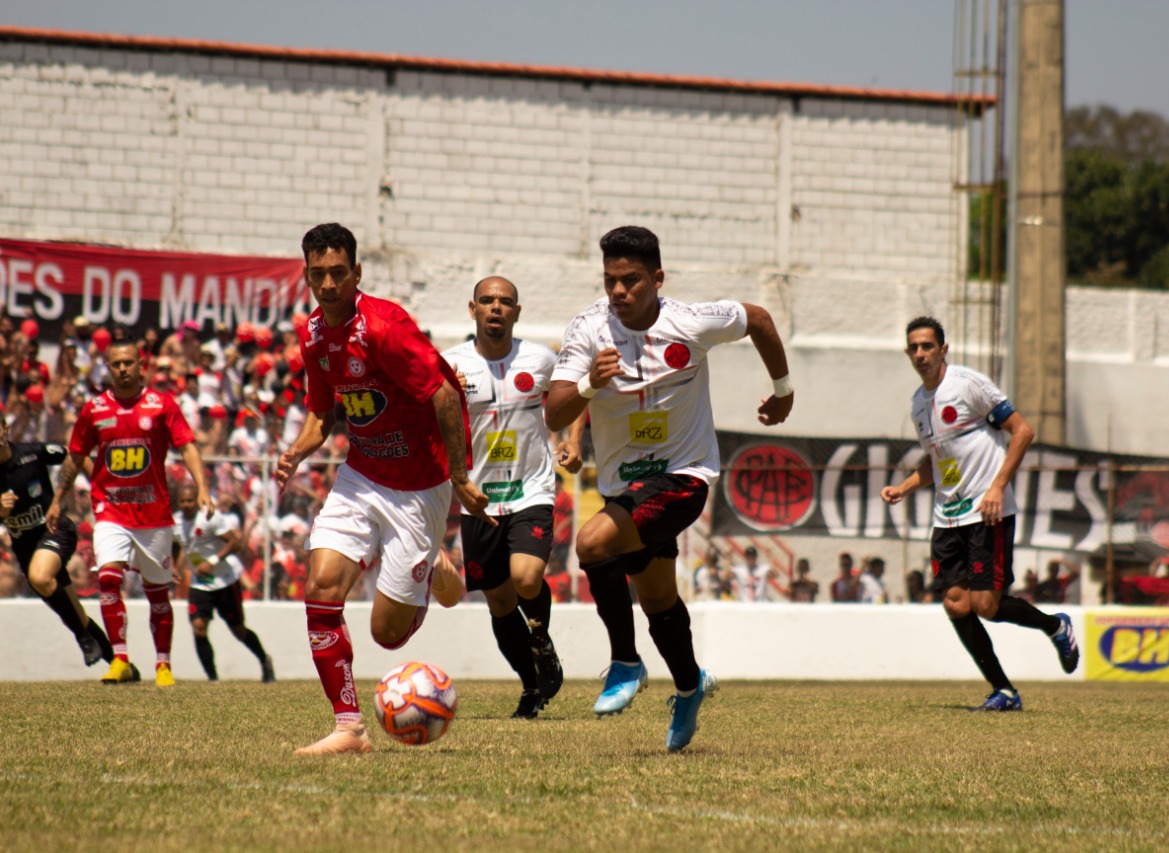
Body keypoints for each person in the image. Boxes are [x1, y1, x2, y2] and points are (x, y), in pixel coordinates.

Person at [545, 225, 794, 751]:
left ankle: (625, 663)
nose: (618, 291)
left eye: (631, 280)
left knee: (590, 543)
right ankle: (688, 686)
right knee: (658, 598)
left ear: (657, 278)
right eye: (611, 280)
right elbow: (555, 407)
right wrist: (591, 381)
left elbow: (761, 320)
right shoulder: (589, 330)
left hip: (685, 475)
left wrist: (783, 391)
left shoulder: (690, 322)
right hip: (624, 487)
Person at [276, 223, 482, 756]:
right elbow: (323, 414)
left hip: (420, 488)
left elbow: (441, 396)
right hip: (362, 475)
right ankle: (349, 729)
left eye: (338, 273)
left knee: (386, 635)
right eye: (317, 274)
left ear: (357, 273)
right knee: (320, 588)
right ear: (306, 275)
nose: (328, 284)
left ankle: (434, 565)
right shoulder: (314, 333)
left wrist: (459, 478)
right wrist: (298, 450)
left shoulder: (385, 327)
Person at [880, 316, 1079, 711]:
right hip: (947, 517)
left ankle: (1056, 626)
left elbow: (1022, 431)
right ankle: (1003, 691)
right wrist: (904, 486)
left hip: (988, 512)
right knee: (956, 603)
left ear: (943, 349)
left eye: (927, 346)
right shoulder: (918, 404)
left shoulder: (967, 384)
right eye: (913, 348)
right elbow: (940, 462)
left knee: (987, 605)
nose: (920, 354)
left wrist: (997, 486)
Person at [441, 276, 586, 718]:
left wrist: (572, 441)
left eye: (505, 302)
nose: (496, 308)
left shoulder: (540, 358)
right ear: (473, 310)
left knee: (526, 580)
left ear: (517, 312)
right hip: (479, 499)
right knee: (500, 602)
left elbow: (578, 393)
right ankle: (532, 688)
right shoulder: (450, 365)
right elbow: (430, 421)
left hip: (532, 490)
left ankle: (540, 639)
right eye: (487, 301)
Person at [48, 339, 215, 687]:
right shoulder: (94, 409)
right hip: (110, 511)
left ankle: (163, 665)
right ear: (108, 368)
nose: (122, 369)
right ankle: (120, 659)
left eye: (128, 363)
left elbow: (188, 447)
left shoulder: (161, 405)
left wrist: (202, 488)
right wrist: (57, 498)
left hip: (154, 515)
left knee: (158, 592)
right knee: (108, 578)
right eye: (116, 364)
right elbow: (75, 456)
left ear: (141, 365)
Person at [0, 417, 113, 668]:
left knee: (40, 578)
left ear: (5, 430)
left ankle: (84, 640)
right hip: (26, 548)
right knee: (76, 614)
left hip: (55, 530)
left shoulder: (32, 453)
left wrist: (100, 491)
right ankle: (120, 665)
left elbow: (77, 455)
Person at [171, 483, 274, 683]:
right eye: (182, 501)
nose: (186, 504)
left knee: (238, 629)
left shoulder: (209, 518)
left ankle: (264, 659)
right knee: (198, 627)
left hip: (225, 580)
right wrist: (175, 567)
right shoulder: (175, 522)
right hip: (199, 584)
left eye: (190, 500)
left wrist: (212, 561)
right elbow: (174, 545)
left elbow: (235, 541)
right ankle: (213, 678)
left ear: (197, 500)